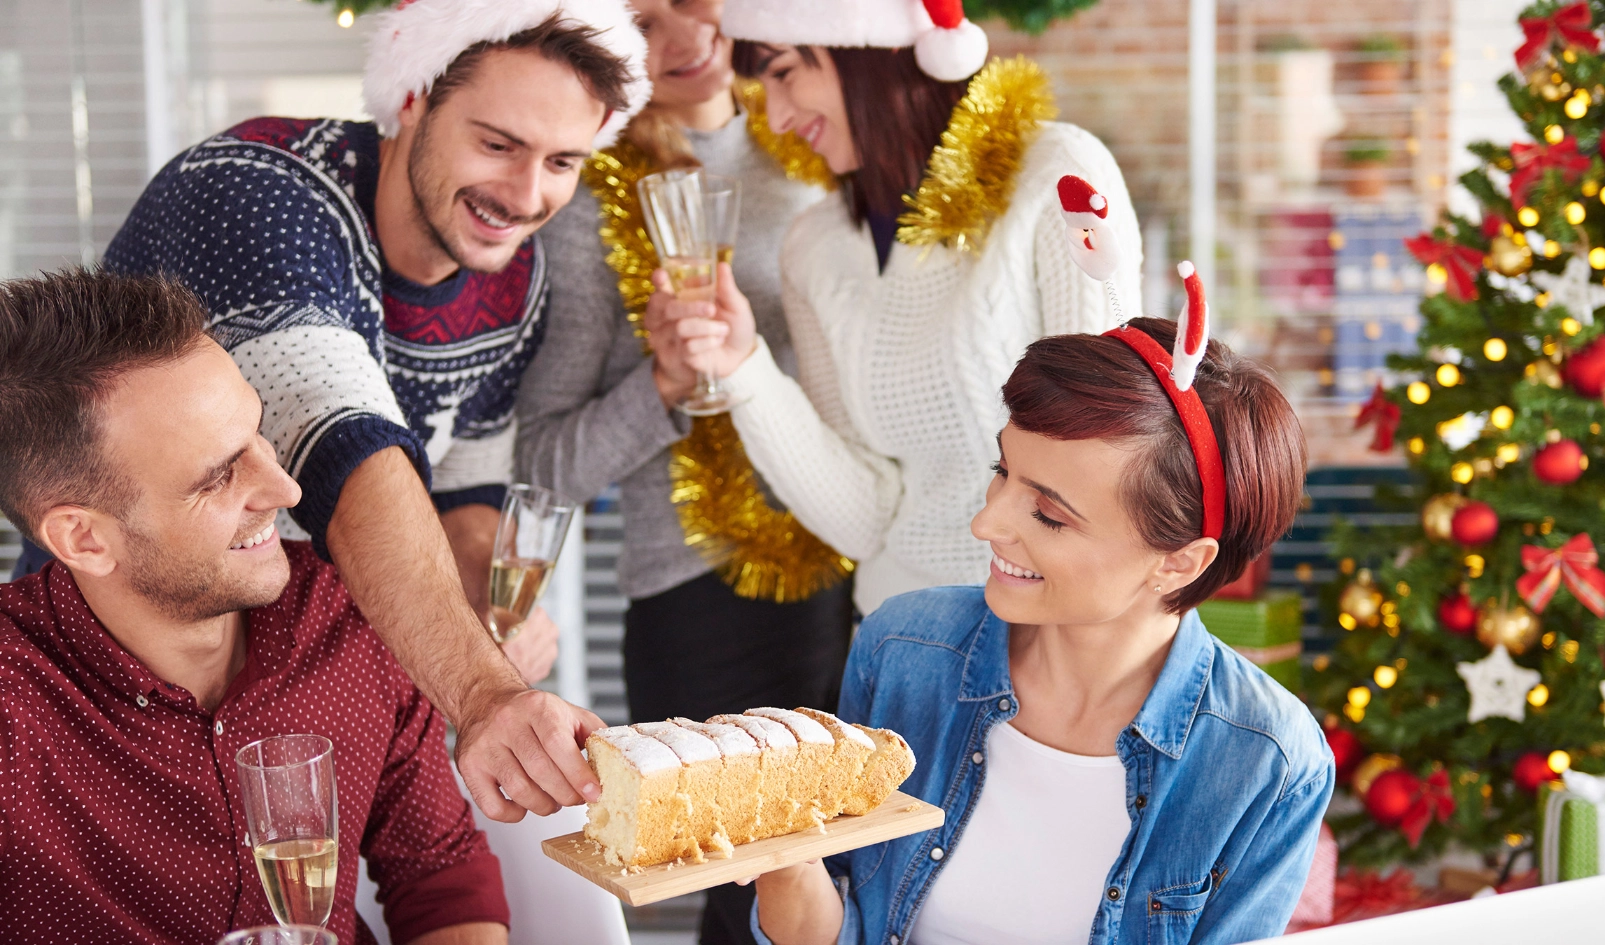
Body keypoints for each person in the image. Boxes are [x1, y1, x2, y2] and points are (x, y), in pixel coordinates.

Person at [10, 0, 653, 822]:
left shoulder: (512, 276)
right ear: (414, 99)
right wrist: (485, 693)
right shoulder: (255, 195)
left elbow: (463, 496)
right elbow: (345, 456)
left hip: (312, 674)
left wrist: (488, 624)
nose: (526, 196)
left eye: (564, 161)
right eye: (497, 145)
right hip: (113, 674)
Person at [746, 303, 1331, 945]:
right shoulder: (902, 649)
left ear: (1178, 563)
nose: (988, 524)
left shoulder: (1267, 761)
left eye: (1048, 515)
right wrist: (787, 865)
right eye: (1003, 472)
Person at [0, 270, 510, 943]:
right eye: (218, 475)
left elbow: (440, 880)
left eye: (258, 436)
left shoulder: (348, 615)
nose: (286, 488)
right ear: (84, 537)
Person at [515, 3, 848, 940]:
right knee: (748, 884)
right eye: (642, 17)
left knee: (867, 869)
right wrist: (665, 383)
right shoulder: (588, 203)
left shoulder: (825, 148)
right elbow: (543, 461)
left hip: (872, 563)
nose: (684, 33)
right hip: (703, 599)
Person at [646, 0, 1144, 615]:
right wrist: (743, 365)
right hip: (897, 635)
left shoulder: (1057, 176)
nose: (774, 116)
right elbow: (863, 519)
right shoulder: (814, 247)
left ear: (868, 51)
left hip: (1047, 635)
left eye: (783, 73)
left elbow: (1107, 444)